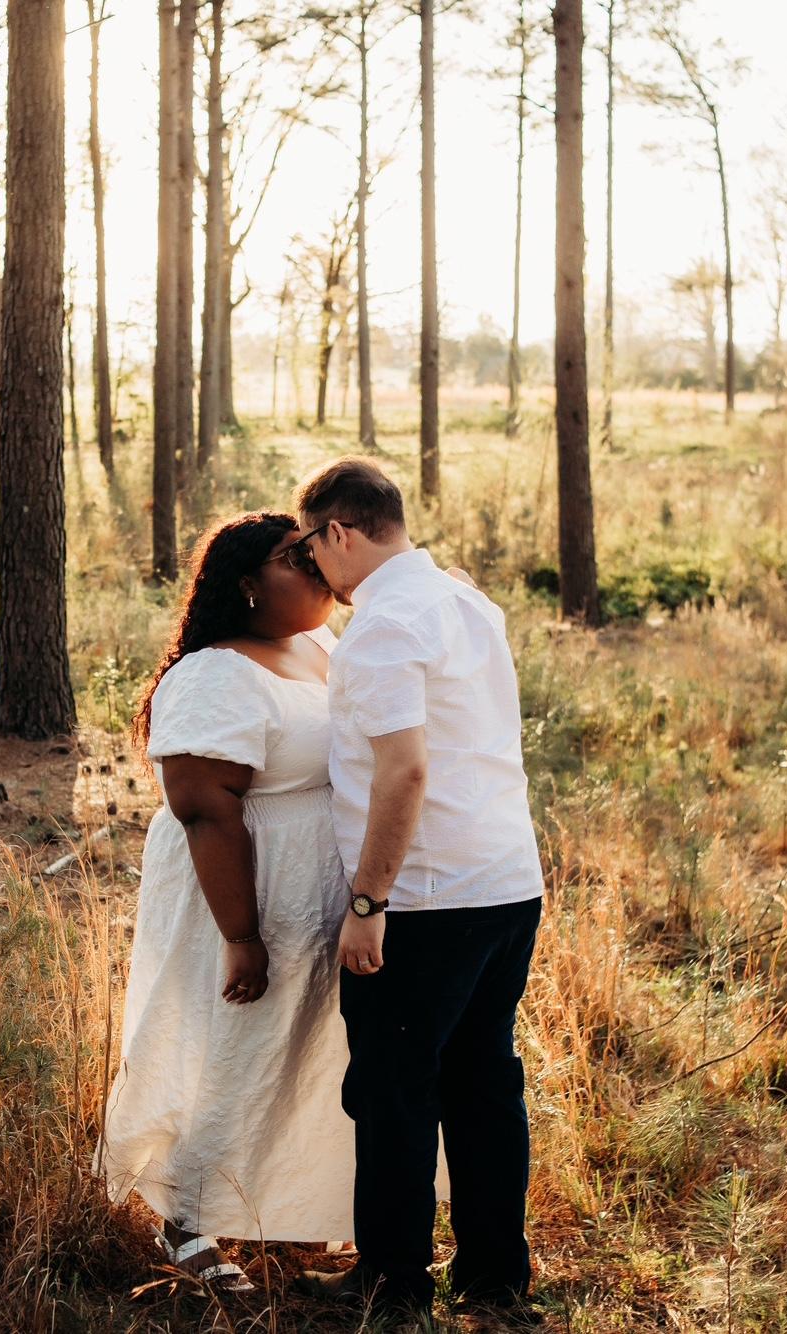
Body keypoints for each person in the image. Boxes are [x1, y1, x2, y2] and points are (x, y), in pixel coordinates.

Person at [292, 457, 546, 1319]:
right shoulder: (467, 603)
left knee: (394, 1091)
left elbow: (403, 772)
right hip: (508, 882)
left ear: (339, 532)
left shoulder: (383, 626)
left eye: (311, 546)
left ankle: (393, 1284)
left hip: (430, 899)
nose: (313, 568)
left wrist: (369, 904)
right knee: (484, 1083)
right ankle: (495, 1279)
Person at [96, 512, 356, 1290]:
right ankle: (186, 1219)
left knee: (305, 1050)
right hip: (241, 890)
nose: (314, 566)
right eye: (293, 558)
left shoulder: (316, 644)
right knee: (230, 1050)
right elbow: (205, 807)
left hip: (317, 891)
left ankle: (290, 1204)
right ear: (247, 585)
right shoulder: (215, 674)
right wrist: (241, 935)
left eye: (313, 551)